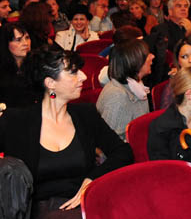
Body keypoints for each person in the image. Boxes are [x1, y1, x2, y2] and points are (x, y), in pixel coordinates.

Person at [0, 48, 133, 218]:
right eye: (73, 72)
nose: (84, 77)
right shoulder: (16, 121)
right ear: (50, 83)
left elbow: (123, 151)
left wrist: (92, 179)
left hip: (82, 205)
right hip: (35, 210)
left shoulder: (86, 114)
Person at [96, 38, 153, 139]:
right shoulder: (118, 96)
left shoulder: (136, 85)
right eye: (147, 54)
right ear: (135, 61)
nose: (152, 56)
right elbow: (111, 143)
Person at [0, 22, 34, 109]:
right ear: (6, 43)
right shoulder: (2, 70)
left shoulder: (37, 64)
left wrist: (52, 96)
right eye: (18, 40)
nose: (25, 43)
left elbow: (52, 94)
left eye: (27, 38)